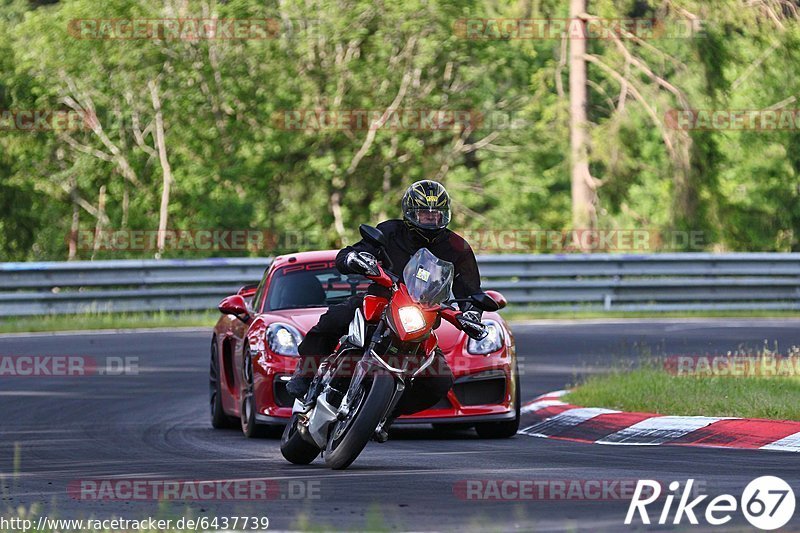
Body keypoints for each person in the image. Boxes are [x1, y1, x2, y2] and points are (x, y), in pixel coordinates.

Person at [286, 180, 484, 440]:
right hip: (381, 301)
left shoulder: (458, 248)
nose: (431, 219)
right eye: (425, 213)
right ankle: (306, 371)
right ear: (411, 213)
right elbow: (356, 251)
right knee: (337, 317)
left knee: (439, 380)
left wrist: (472, 313)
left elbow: (471, 292)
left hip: (422, 319)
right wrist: (354, 258)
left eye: (436, 214)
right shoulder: (391, 231)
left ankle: (384, 414)